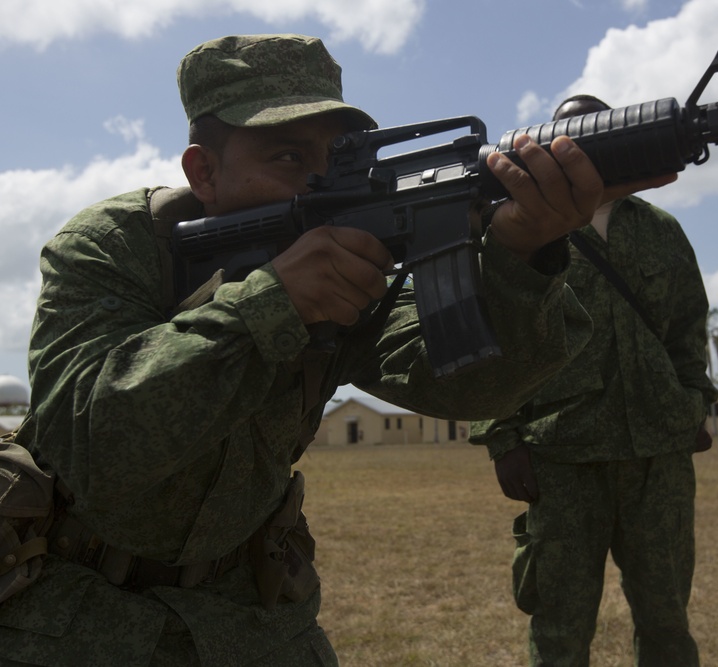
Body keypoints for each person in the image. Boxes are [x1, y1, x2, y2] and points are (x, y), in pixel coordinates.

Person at [0, 38, 674, 665]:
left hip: (255, 612)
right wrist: (270, 304)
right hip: (75, 617)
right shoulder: (113, 247)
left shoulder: (353, 257)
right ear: (204, 171)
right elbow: (89, 440)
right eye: (288, 157)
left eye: (341, 159)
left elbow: (474, 389)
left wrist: (518, 256)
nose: (320, 185)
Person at [470, 94, 718, 666]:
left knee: (667, 620)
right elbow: (488, 332)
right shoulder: (518, 229)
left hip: (658, 452)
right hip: (561, 453)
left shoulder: (660, 230)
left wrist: (693, 405)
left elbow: (687, 324)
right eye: (566, 133)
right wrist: (501, 438)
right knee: (559, 627)